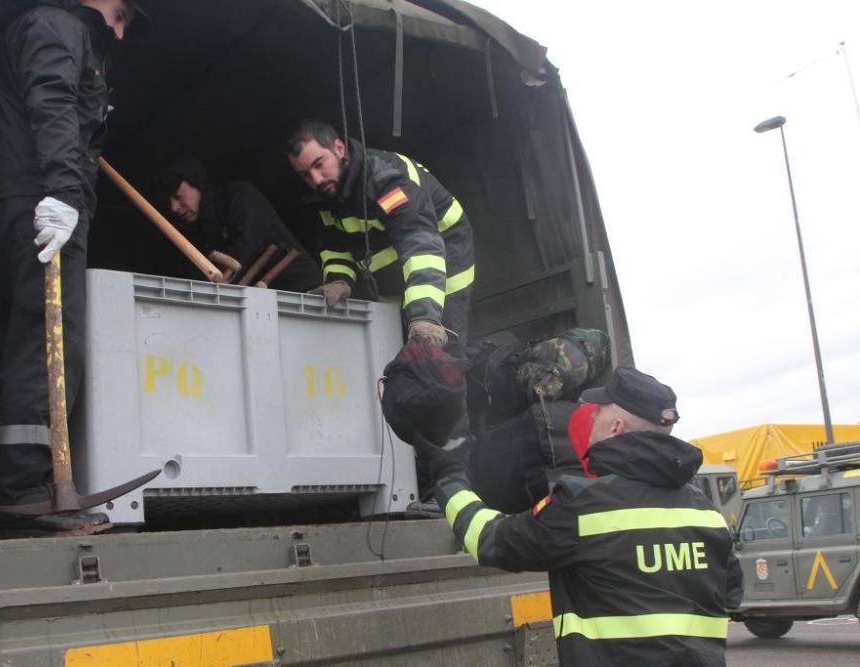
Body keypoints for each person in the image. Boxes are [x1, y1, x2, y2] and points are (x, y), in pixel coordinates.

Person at [412, 366, 744, 666]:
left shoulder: (584, 508)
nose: (591, 416)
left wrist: (449, 477)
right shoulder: (707, 513)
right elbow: (731, 597)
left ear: (615, 426)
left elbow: (488, 540)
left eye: (598, 410)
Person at [0, 0, 147, 534]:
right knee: (49, 340)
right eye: (122, 14)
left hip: (39, 200)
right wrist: (61, 191)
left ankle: (31, 484)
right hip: (45, 204)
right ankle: (31, 489)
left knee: (37, 339)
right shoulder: (57, 26)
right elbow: (52, 103)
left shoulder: (64, 32)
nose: (120, 32)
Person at [285, 120, 474, 363]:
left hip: (444, 255)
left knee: (441, 358)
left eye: (319, 164)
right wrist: (338, 280)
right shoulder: (326, 194)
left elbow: (420, 245)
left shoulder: (386, 179)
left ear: (339, 148)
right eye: (305, 175)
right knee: (399, 355)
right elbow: (335, 245)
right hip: (396, 267)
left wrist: (425, 316)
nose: (317, 179)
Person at [159, 154, 321, 292]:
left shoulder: (239, 197)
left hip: (305, 294)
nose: (174, 208)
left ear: (196, 183)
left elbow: (247, 247)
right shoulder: (199, 229)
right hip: (263, 304)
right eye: (169, 202)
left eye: (178, 196)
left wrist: (211, 285)